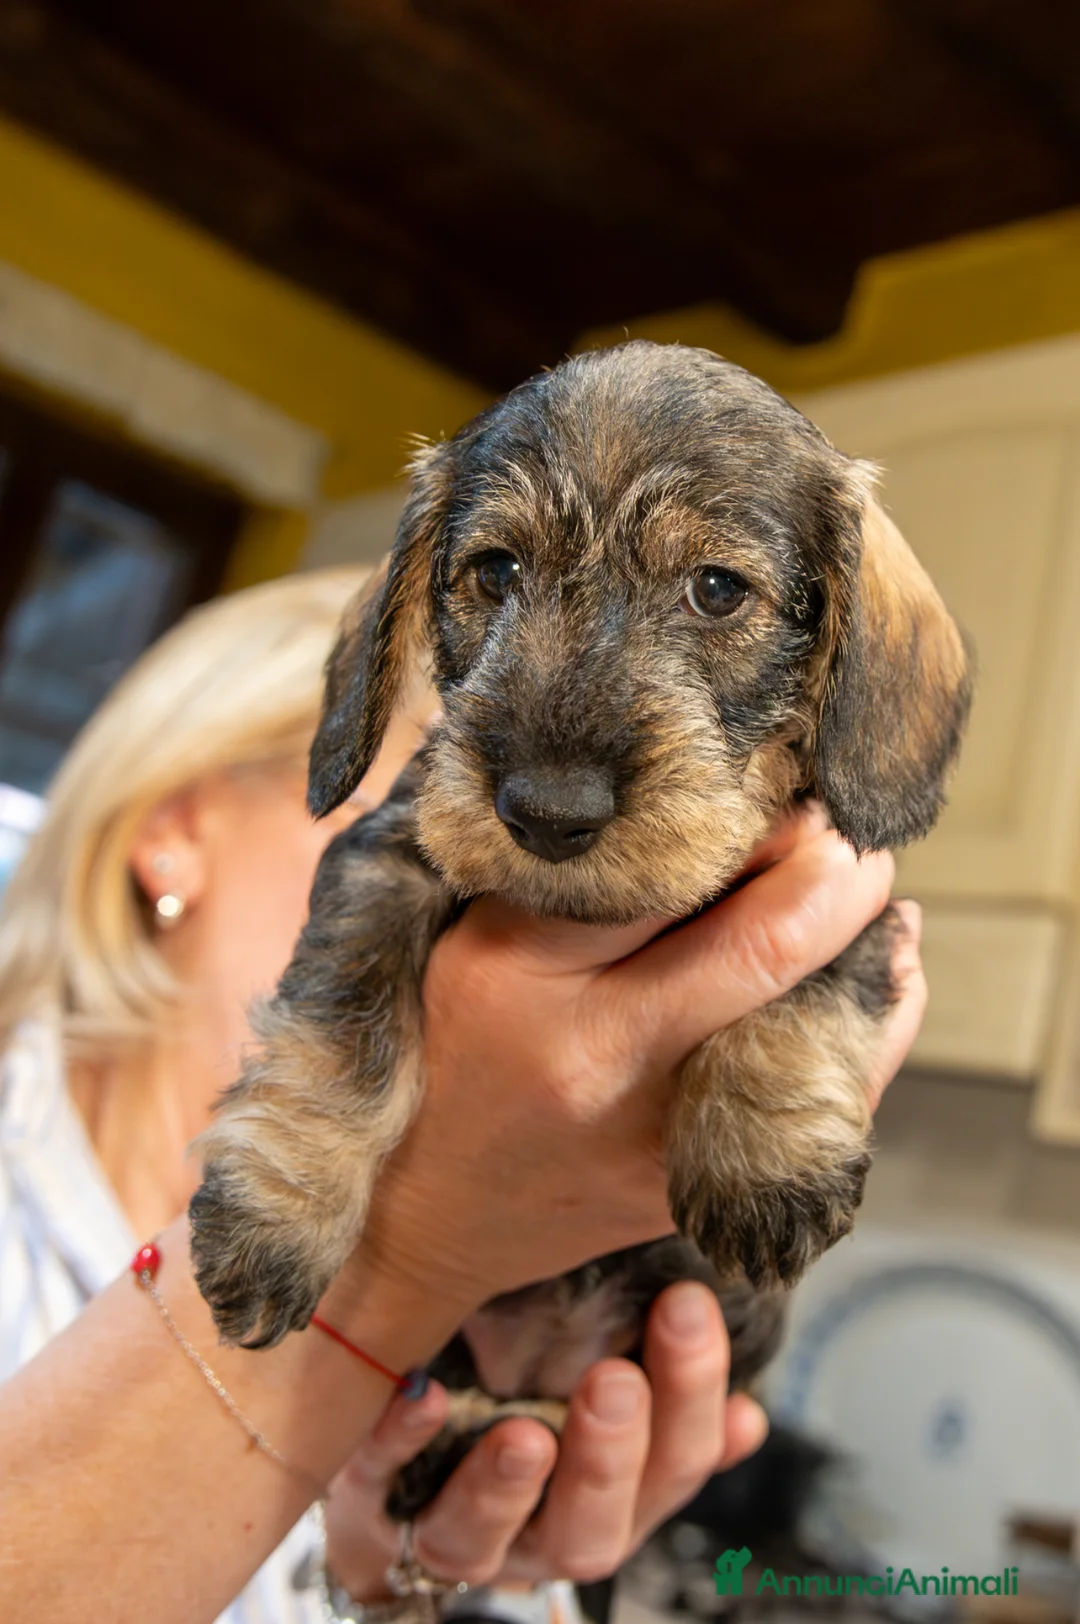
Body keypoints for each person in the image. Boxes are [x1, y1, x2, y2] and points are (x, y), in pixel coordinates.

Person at [0, 568, 925, 1624]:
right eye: (405, 810)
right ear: (177, 828)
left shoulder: (508, 1304)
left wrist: (382, 1581)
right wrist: (403, 1258)